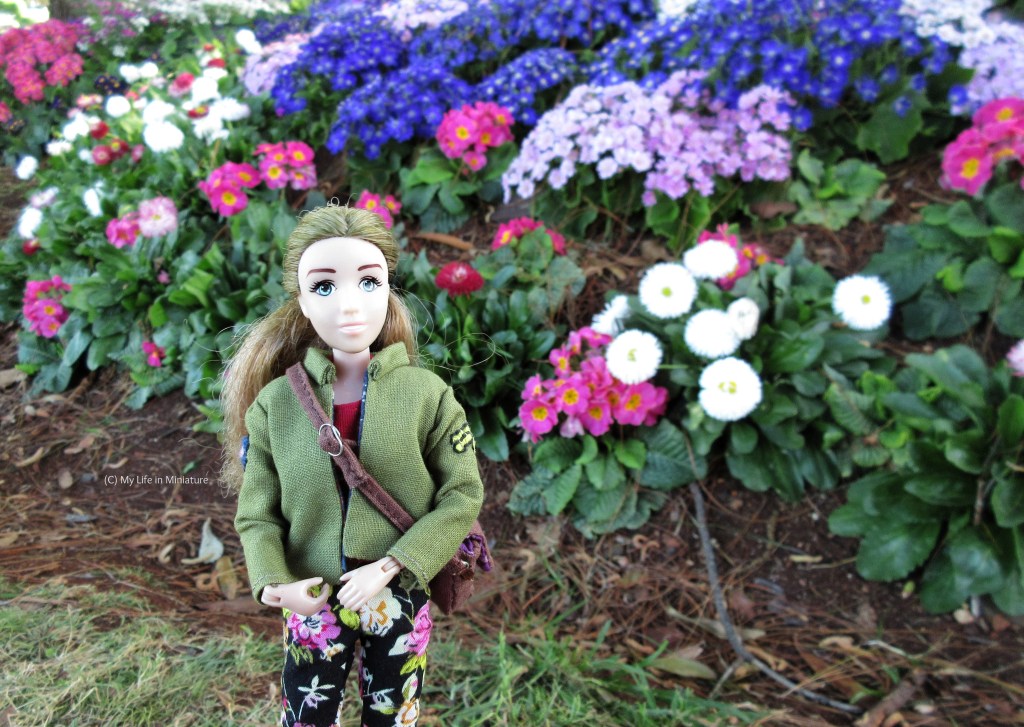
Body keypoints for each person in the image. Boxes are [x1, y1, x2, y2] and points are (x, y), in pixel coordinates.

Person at [221, 204, 484, 727]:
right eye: (324, 287)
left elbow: (462, 494)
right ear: (301, 302)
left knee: (394, 715)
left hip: (399, 589)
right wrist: (275, 583)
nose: (349, 305)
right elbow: (257, 514)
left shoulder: (427, 395)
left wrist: (392, 565)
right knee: (306, 715)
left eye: (368, 282)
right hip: (313, 592)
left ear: (388, 290)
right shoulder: (276, 405)